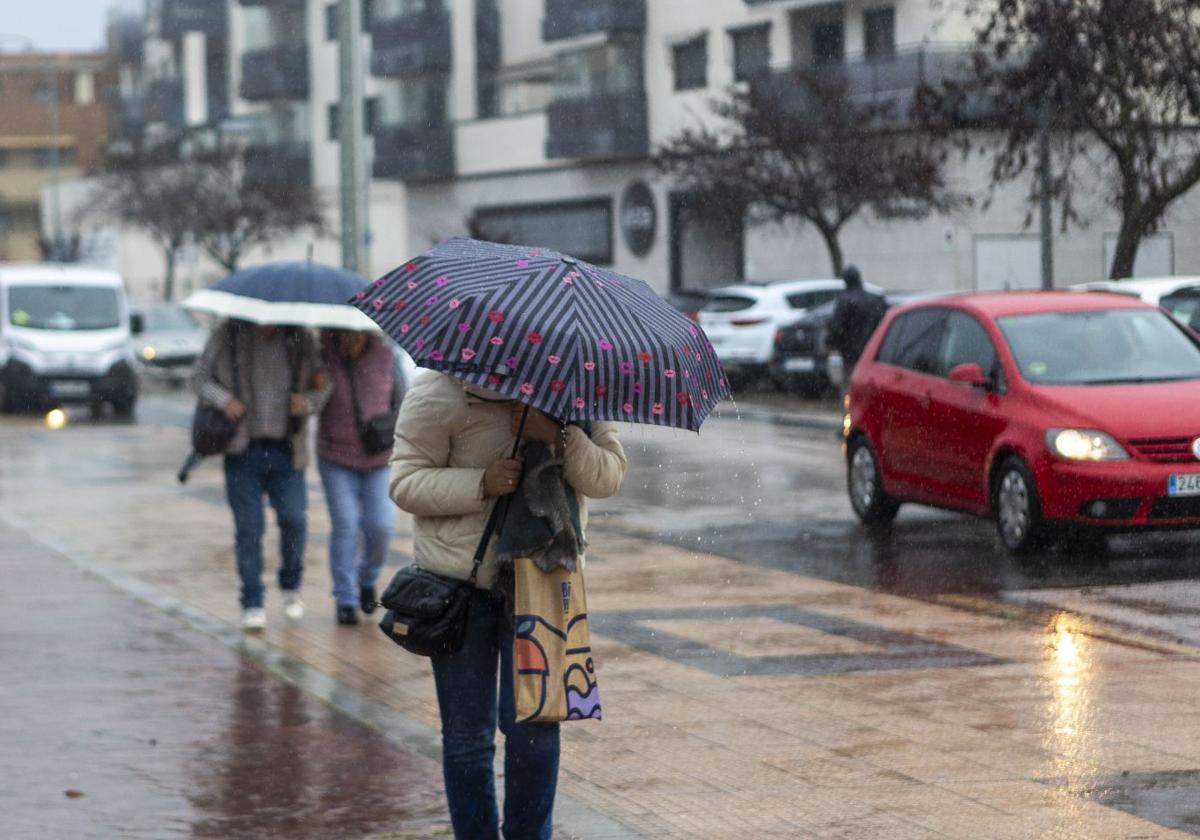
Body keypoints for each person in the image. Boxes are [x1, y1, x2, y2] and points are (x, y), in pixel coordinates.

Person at [389, 372, 627, 840]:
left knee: (534, 732)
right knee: (467, 739)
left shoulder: (580, 391)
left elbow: (608, 477)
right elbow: (405, 481)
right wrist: (482, 482)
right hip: (460, 585)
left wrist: (557, 437)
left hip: (541, 582)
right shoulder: (440, 392)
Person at [192, 320, 331, 631]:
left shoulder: (300, 336)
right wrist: (223, 399)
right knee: (249, 529)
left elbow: (324, 383)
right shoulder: (226, 335)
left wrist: (307, 402)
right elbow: (199, 378)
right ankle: (252, 601)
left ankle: (291, 584)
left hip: (286, 449)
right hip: (243, 451)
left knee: (294, 520)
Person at [316, 329, 405, 626]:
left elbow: (402, 402)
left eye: (355, 336)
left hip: (378, 457)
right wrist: (317, 386)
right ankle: (345, 597)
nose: (349, 341)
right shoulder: (322, 357)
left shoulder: (385, 355)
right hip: (335, 457)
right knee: (345, 526)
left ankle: (367, 578)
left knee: (381, 526)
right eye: (343, 336)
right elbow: (310, 403)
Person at [827, 264, 888, 384]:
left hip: (851, 353)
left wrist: (832, 342)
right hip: (872, 351)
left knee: (850, 385)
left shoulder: (844, 301)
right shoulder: (874, 300)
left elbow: (837, 327)